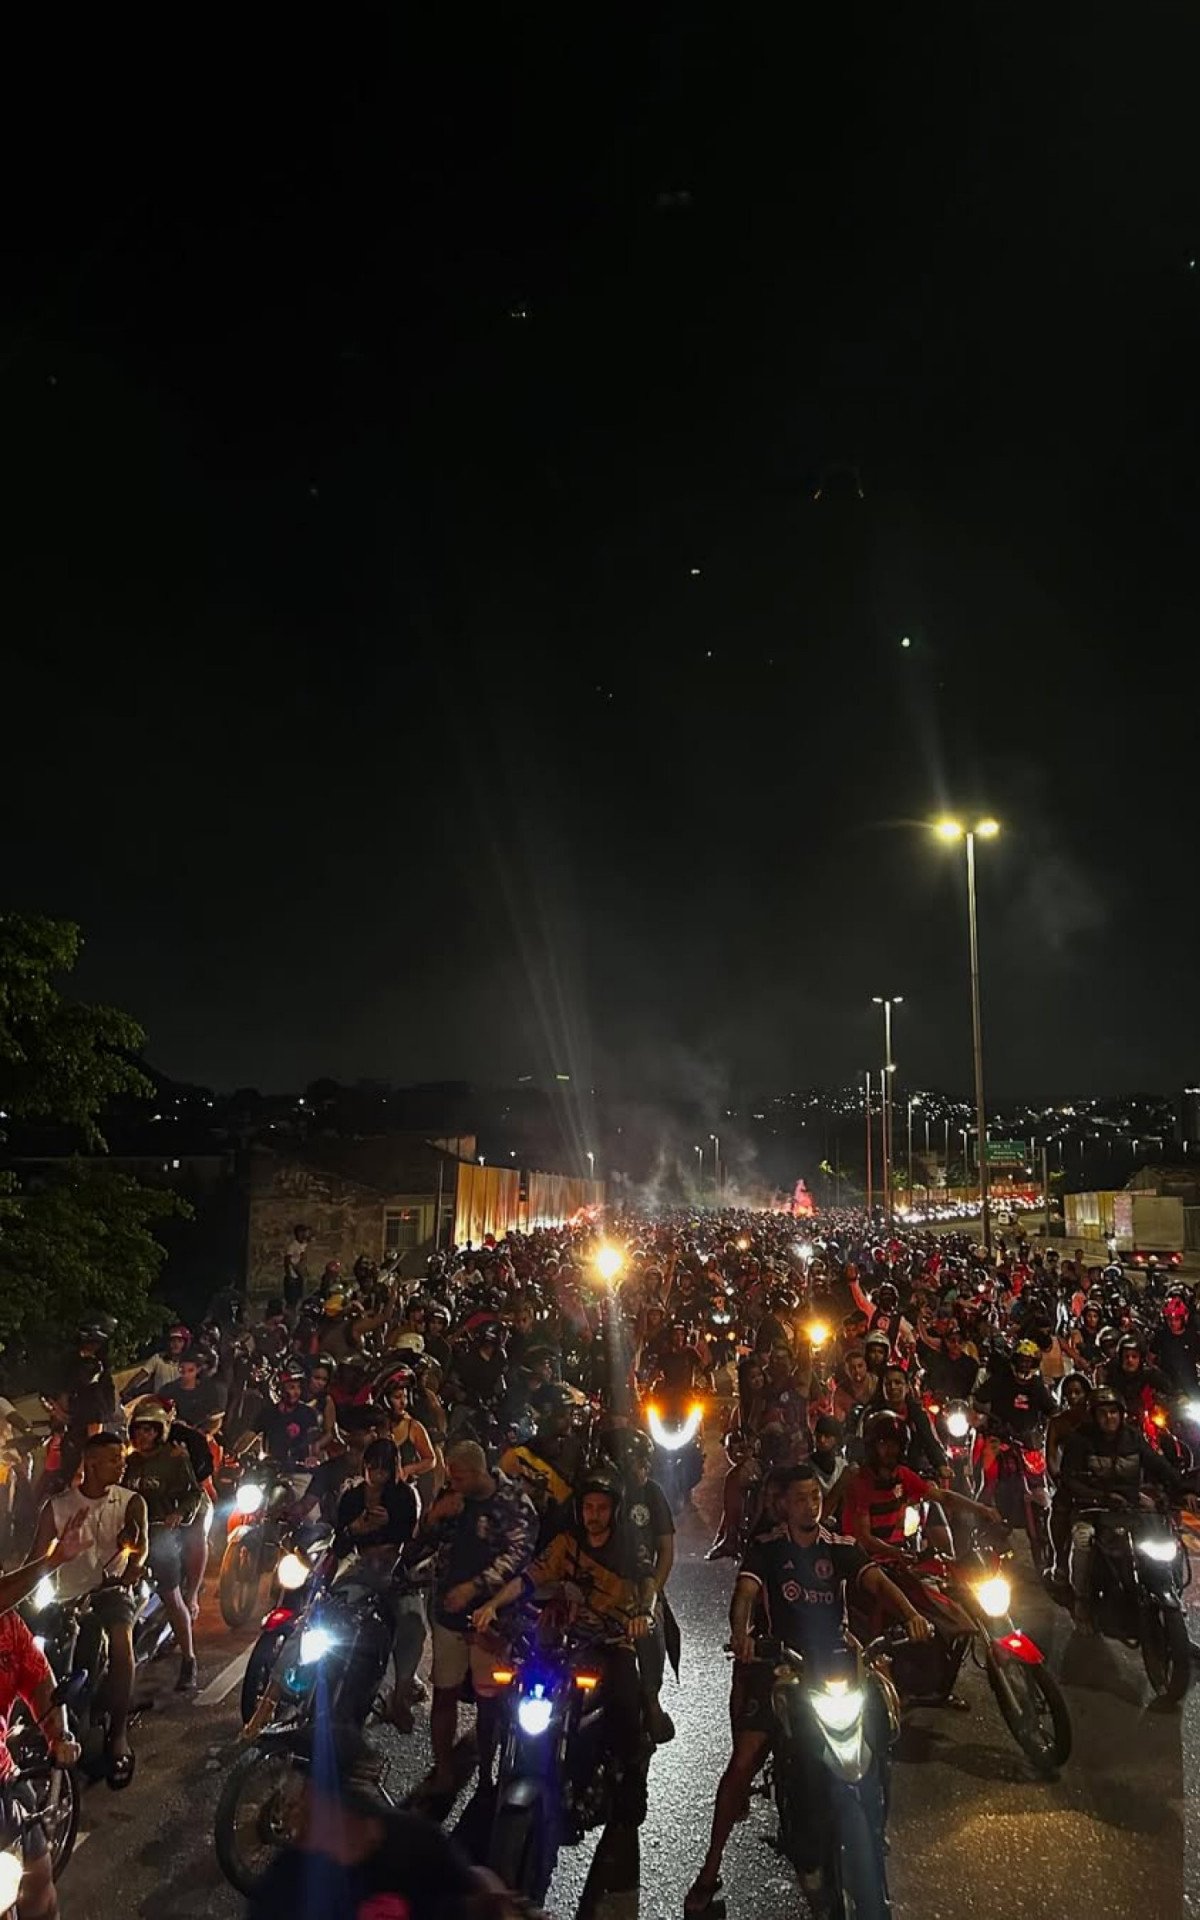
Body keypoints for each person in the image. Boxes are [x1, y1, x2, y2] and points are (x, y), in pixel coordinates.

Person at [684, 1463, 931, 1916]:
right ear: (783, 1505)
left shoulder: (838, 1546)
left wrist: (911, 1614)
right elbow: (743, 1596)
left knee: (882, 1729)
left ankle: (876, 1823)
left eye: (815, 1497)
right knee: (744, 1761)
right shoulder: (767, 1549)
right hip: (781, 1665)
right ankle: (709, 1866)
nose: (809, 1506)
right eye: (799, 1499)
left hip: (836, 1664)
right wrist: (743, 1637)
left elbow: (876, 1580)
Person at [473, 1462, 657, 1818]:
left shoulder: (629, 1547)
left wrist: (643, 1615)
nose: (595, 1515)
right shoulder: (566, 1545)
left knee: (624, 1699)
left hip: (611, 1639)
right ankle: (501, 1767)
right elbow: (528, 1579)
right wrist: (493, 1606)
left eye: (602, 1508)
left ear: (615, 1511)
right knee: (513, 1684)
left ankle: (631, 1777)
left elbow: (648, 1584)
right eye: (589, 1507)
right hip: (563, 1640)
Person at [244, 1726, 504, 1920]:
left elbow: (481, 1895)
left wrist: (495, 1904)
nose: (291, 1803)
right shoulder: (284, 1883)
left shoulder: (417, 1844)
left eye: (303, 1788)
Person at [407, 1440, 536, 1798]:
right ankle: (444, 1769)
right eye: (451, 1477)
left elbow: (520, 1556)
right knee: (444, 1693)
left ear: (480, 1472)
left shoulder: (512, 1504)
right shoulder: (452, 1498)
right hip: (448, 1616)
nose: (455, 1484)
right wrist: (434, 1518)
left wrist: (476, 1587)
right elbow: (423, 1544)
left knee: (489, 1699)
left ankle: (486, 1773)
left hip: (491, 1619)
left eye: (460, 1477)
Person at [30, 1432, 147, 1787]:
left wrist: (125, 1574)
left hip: (110, 1592)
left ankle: (118, 1735)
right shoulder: (58, 1506)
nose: (121, 1464)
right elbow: (36, 1560)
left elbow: (139, 1552)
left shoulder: (131, 1502)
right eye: (114, 1459)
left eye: (121, 1458)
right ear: (91, 1463)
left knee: (120, 1645)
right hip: (65, 1596)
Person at [1060, 1385, 1198, 1630]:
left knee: (1164, 1536)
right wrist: (1101, 1495)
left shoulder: (1133, 1438)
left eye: (1113, 1412)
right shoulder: (1080, 1440)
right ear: (1094, 1416)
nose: (1109, 1418)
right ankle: (1082, 1600)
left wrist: (1184, 1489)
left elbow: (1159, 1466)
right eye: (1103, 1413)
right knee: (1083, 1541)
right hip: (1093, 1507)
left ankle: (1169, 1585)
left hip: (1131, 1505)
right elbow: (1069, 1480)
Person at [333, 1438, 424, 1732]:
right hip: (358, 1565)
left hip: (393, 1569)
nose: (377, 1476)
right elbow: (339, 1544)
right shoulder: (351, 1497)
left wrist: (388, 1526)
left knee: (412, 1622)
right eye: (373, 1468)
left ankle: (401, 1693)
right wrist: (354, 1529)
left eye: (384, 1470)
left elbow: (410, 1540)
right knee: (327, 1609)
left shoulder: (405, 1496)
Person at [0, 1605, 81, 1920]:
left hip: (4, 1785)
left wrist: (58, 1736)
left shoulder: (9, 1626)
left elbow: (38, 1680)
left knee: (38, 1887)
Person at [121, 1399, 201, 1690]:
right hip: (130, 1537)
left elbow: (194, 1494)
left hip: (160, 1534)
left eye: (148, 1430)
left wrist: (178, 1514)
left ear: (158, 1431)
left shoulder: (175, 1458)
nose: (142, 1436)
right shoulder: (129, 1462)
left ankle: (189, 1659)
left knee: (171, 1594)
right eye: (138, 1430)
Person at [620, 1428, 676, 1742]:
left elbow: (666, 1550)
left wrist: (653, 1590)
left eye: (641, 1462)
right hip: (602, 1586)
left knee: (651, 1631)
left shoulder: (652, 1494)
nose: (638, 1469)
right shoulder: (602, 1493)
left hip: (643, 1588)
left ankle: (651, 1698)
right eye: (631, 1462)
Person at [257, 1364, 321, 1465]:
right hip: (271, 1468)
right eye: (291, 1387)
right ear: (279, 1390)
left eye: (298, 1387)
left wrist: (313, 1458)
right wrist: (234, 1453)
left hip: (300, 1469)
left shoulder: (308, 1413)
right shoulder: (269, 1412)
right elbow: (250, 1434)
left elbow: (314, 1441)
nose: (296, 1392)